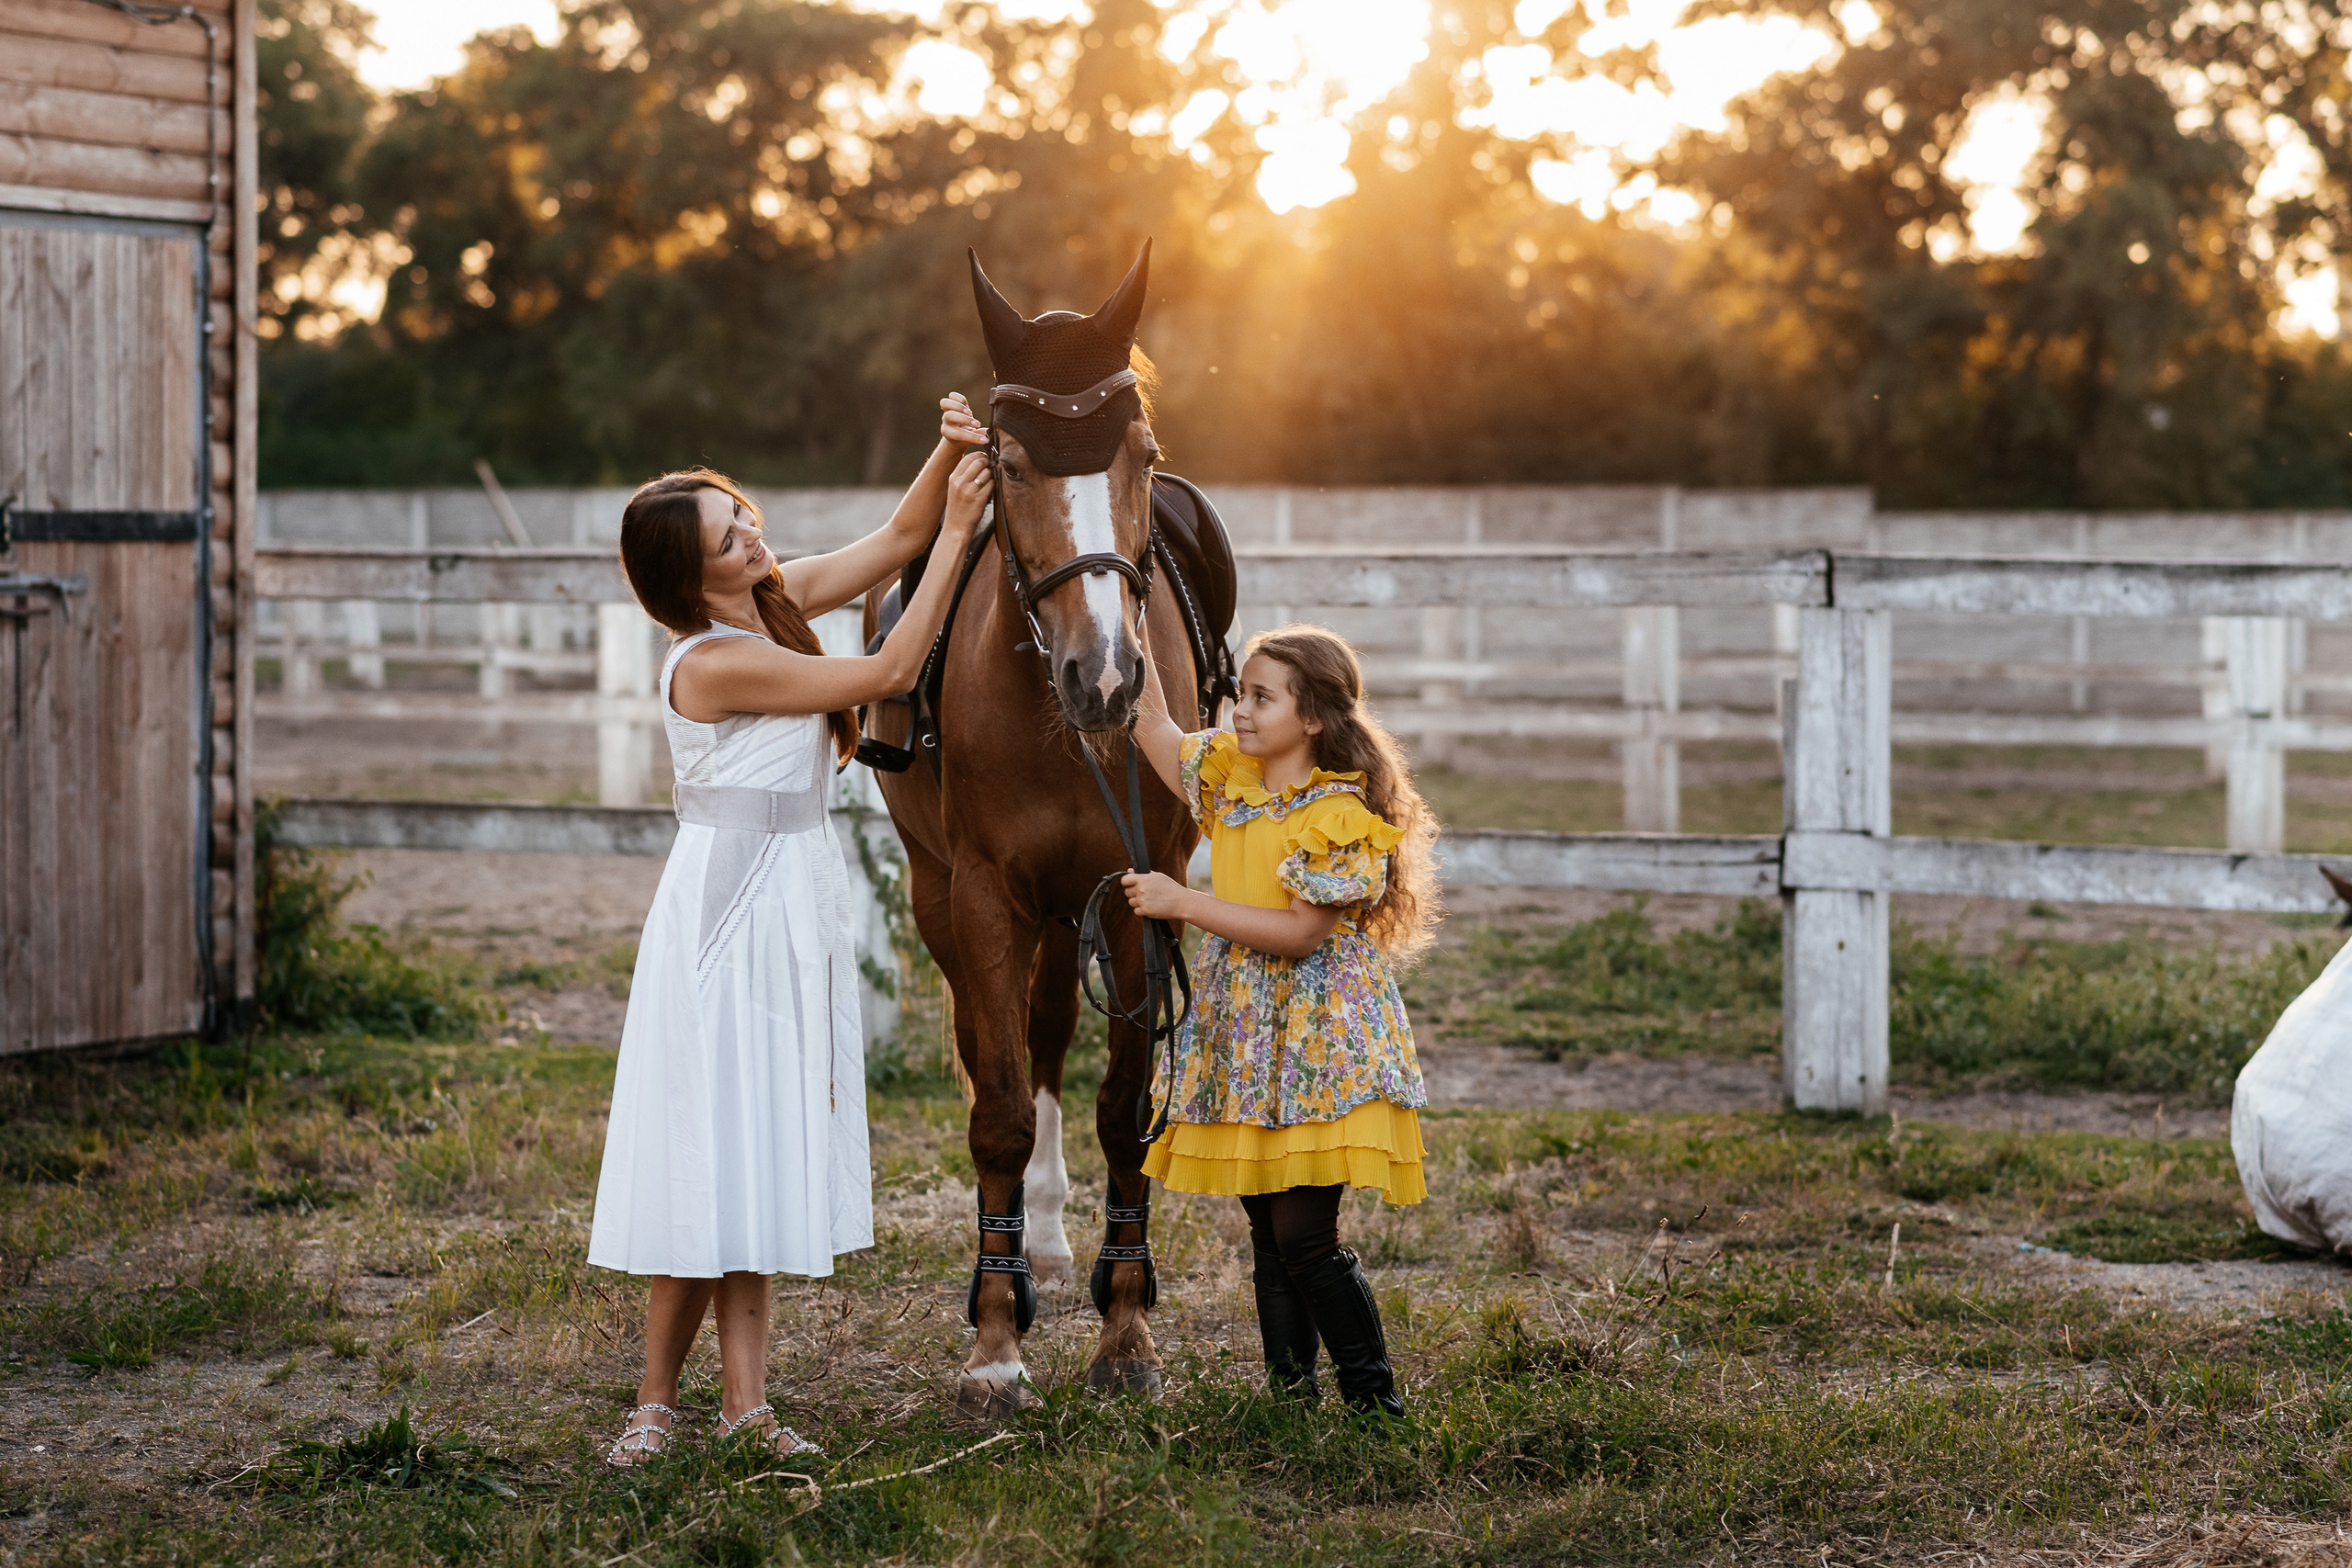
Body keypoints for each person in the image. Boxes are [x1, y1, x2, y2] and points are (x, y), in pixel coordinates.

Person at [589, 395, 994, 1465]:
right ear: (691, 578)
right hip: (728, 921)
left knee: (755, 1154)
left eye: (747, 514)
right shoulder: (711, 661)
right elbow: (886, 674)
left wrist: (948, 453)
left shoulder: (771, 608)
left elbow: (893, 541)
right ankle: (653, 1407)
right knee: (701, 1157)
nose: (756, 538)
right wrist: (960, 536)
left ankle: (747, 1410)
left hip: (794, 904)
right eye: (732, 536)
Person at [1120, 626, 1440, 1417]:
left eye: (1263, 697)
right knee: (1268, 1233)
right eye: (1241, 692)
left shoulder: (1335, 813)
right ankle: (1289, 1403)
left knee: (1304, 1235)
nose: (1241, 709)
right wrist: (1126, 633)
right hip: (1244, 1037)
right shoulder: (1232, 781)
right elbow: (1154, 727)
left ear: (1313, 718)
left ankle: (1376, 1403)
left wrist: (1182, 900)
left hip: (1315, 1040)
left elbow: (1301, 933)